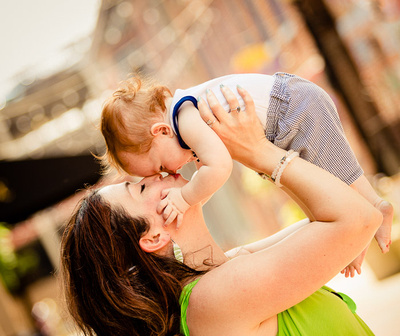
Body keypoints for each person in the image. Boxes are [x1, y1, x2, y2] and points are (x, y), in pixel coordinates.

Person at [61, 87, 400, 336]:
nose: (158, 175)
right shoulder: (212, 301)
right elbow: (358, 220)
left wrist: (260, 145)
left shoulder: (224, 273)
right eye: (141, 188)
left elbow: (329, 219)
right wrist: (255, 150)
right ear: (153, 237)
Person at [99, 72, 393, 269]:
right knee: (338, 175)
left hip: (291, 108)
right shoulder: (183, 117)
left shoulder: (185, 119)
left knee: (335, 184)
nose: (168, 173)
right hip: (292, 105)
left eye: (161, 166)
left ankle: (359, 236)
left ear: (162, 131)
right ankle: (377, 207)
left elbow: (220, 167)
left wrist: (185, 198)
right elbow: (213, 166)